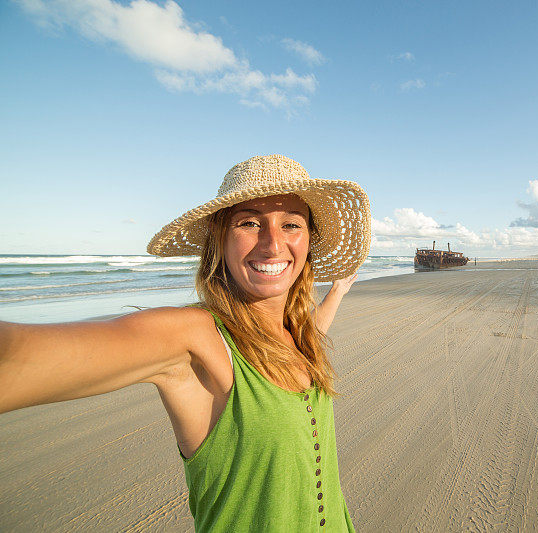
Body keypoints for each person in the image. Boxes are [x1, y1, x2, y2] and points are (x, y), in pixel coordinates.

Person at [0, 154, 372, 532]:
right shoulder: (196, 338)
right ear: (219, 237)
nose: (273, 244)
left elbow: (312, 336)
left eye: (291, 224)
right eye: (249, 222)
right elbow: (16, 358)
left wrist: (338, 290)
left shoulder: (294, 336)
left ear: (309, 240)